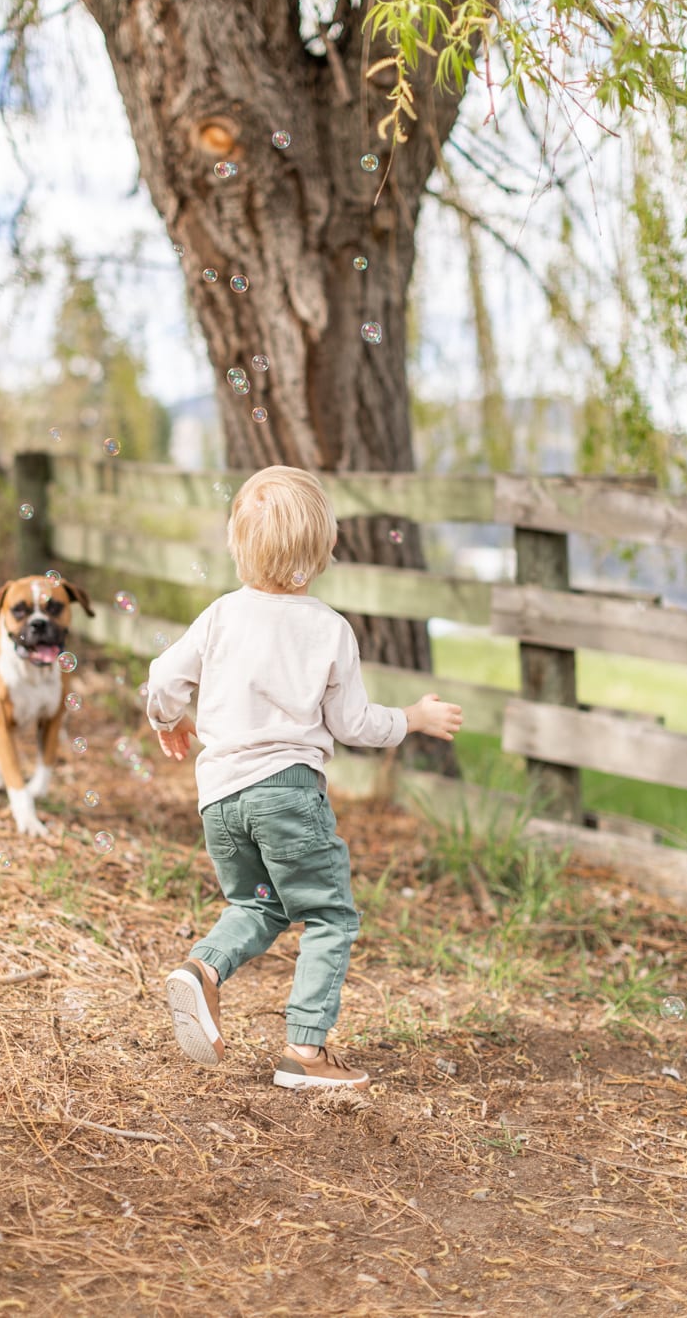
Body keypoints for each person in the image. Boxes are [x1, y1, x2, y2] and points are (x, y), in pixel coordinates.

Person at [146, 465, 462, 1090]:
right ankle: (305, 1052)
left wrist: (169, 719)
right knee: (329, 917)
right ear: (318, 555)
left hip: (219, 799)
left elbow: (162, 679)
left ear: (240, 546)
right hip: (287, 793)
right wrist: (414, 719)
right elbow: (354, 724)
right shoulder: (328, 628)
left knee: (257, 903)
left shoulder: (219, 616)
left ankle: (203, 971)